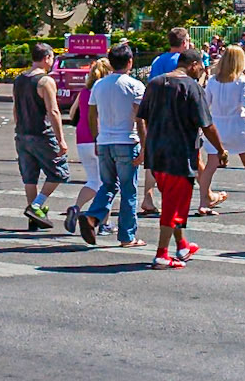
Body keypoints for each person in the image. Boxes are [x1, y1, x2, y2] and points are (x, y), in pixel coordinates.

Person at [136, 47, 227, 267]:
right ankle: (161, 254)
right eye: (201, 66)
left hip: (157, 154)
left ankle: (182, 245)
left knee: (171, 201)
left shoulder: (155, 83)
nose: (202, 70)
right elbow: (207, 124)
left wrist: (146, 146)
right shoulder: (192, 87)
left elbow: (142, 118)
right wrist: (221, 150)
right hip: (180, 155)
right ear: (193, 65)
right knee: (172, 207)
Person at [78, 41, 146, 249]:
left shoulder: (99, 85)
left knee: (108, 184)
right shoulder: (135, 85)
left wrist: (97, 138)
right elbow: (140, 118)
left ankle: (93, 216)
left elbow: (91, 114)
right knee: (128, 190)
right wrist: (145, 147)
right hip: (127, 140)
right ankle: (127, 236)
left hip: (105, 140)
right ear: (130, 62)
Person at [199, 46, 245, 212]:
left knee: (210, 166)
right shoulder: (242, 80)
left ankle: (203, 202)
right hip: (237, 125)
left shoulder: (213, 80)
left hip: (216, 126)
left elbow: (205, 103)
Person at [13, 42, 71, 229]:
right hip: (42, 134)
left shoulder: (19, 79)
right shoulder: (45, 81)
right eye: (52, 58)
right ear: (46, 58)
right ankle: (37, 205)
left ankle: (33, 218)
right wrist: (61, 139)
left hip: (22, 134)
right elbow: (53, 111)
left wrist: (19, 127)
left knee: (30, 177)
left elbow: (15, 109)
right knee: (59, 172)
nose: (52, 62)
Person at [139, 26, 190, 217]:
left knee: (154, 156)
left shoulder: (158, 60)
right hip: (177, 114)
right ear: (184, 42)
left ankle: (148, 196)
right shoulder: (183, 61)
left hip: (156, 111)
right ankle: (204, 195)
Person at [64, 56, 113, 236]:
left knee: (94, 180)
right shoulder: (104, 92)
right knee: (108, 183)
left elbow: (71, 114)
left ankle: (76, 208)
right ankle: (103, 223)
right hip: (98, 139)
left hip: (82, 138)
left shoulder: (83, 92)